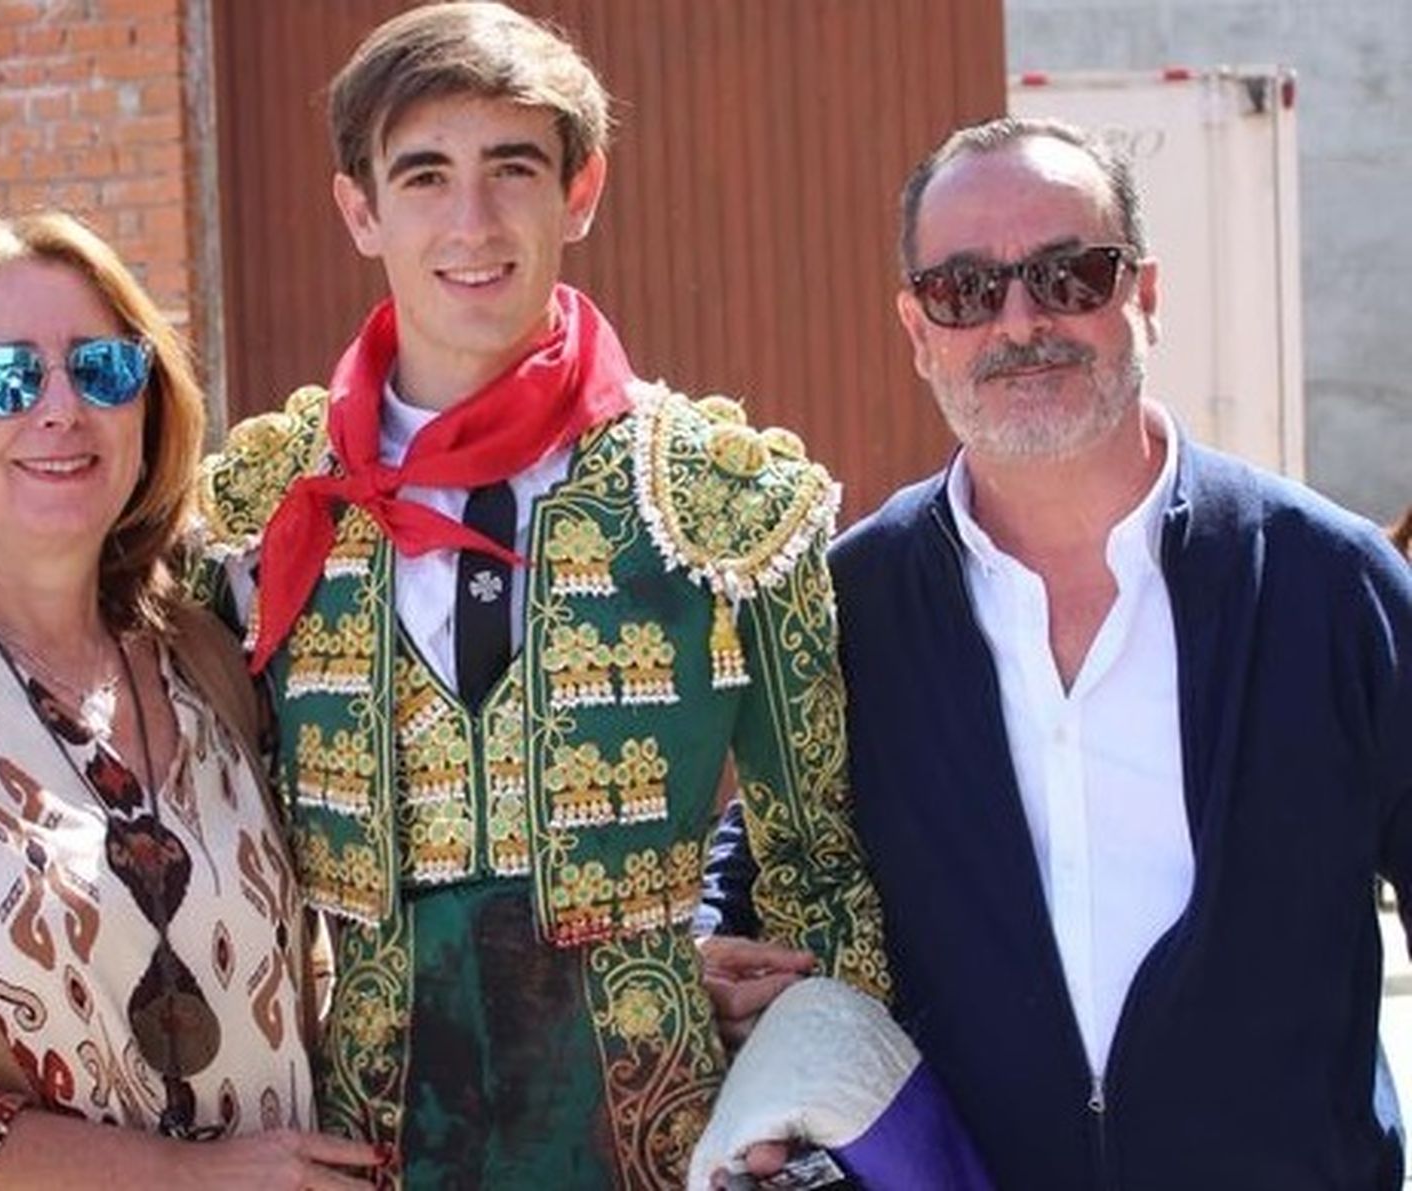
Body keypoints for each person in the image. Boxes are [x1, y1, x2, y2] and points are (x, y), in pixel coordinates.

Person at [195, 3, 889, 1186]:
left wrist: (796, 1101)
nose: (471, 223)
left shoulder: (719, 503)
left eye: (511, 169)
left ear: (582, 190)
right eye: (424, 176)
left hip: (657, 1139)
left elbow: (820, 867)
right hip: (360, 1148)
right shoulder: (258, 514)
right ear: (359, 211)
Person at [703, 116, 1412, 1190]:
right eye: (965, 290)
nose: (1019, 321)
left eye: (1067, 274)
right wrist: (706, 951)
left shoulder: (1328, 584)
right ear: (916, 327)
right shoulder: (848, 608)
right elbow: (764, 845)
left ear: (1145, 293)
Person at [0, 212, 382, 1187]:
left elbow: (320, 976)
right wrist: (184, 1178)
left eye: (103, 370)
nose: (60, 408)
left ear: (148, 409)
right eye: (5, 379)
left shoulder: (208, 662)